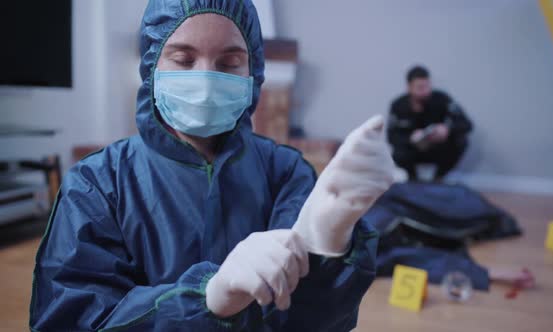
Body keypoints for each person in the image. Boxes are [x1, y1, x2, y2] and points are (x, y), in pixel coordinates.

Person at [29, 1, 395, 331]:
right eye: (184, 60)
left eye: (229, 63)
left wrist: (329, 245)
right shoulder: (98, 183)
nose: (205, 80)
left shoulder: (284, 172)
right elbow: (70, 319)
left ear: (254, 74)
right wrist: (207, 300)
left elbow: (313, 320)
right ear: (152, 66)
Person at [387, 66, 473, 180]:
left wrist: (447, 129)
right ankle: (413, 180)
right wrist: (410, 138)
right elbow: (391, 136)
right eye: (420, 87)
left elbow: (466, 124)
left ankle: (438, 179)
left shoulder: (442, 99)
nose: (425, 91)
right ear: (409, 87)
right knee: (397, 152)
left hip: (437, 148)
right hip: (413, 150)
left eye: (427, 86)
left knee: (461, 141)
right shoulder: (398, 105)